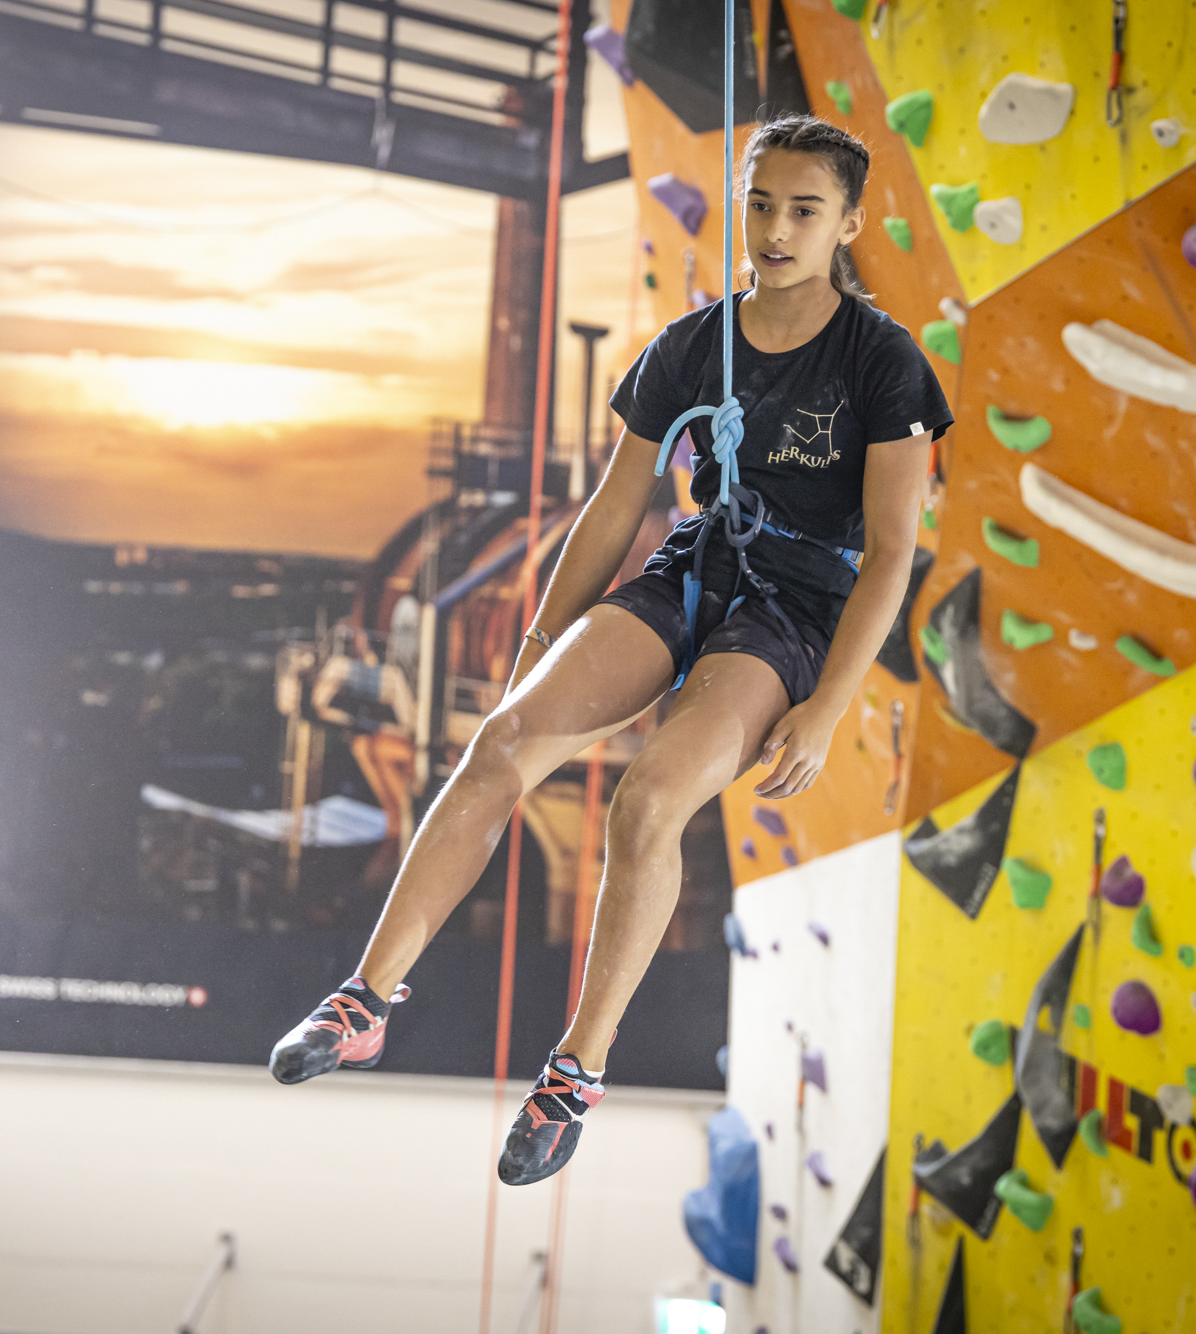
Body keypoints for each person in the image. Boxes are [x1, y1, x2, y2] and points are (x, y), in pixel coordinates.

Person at [267, 114, 953, 1186]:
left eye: (804, 210)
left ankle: (574, 1073)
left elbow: (892, 553)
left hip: (795, 610)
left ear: (847, 225)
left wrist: (824, 706)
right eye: (760, 204)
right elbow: (613, 505)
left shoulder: (882, 361)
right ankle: (364, 1002)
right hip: (695, 568)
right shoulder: (690, 345)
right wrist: (541, 642)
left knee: (647, 801)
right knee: (500, 742)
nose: (776, 229)